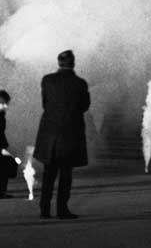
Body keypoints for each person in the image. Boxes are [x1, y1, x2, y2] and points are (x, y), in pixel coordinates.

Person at [34, 49, 90, 220]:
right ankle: (62, 209)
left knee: (48, 174)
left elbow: (45, 104)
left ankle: (44, 209)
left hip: (50, 134)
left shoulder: (47, 80)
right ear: (73, 63)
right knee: (66, 175)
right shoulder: (80, 83)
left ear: (59, 62)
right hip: (70, 134)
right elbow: (85, 106)